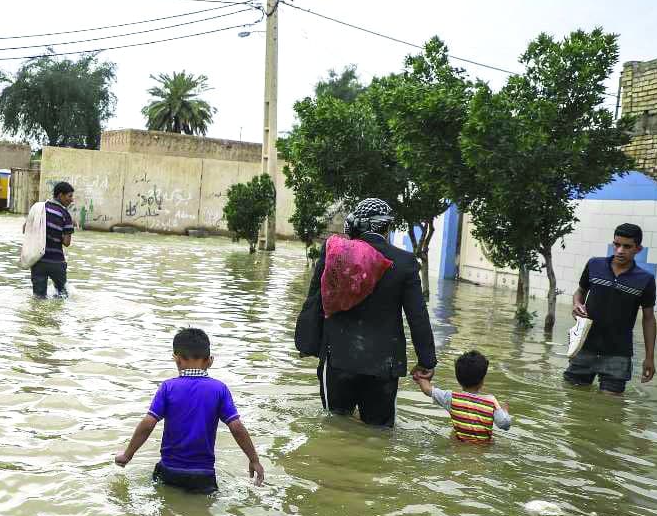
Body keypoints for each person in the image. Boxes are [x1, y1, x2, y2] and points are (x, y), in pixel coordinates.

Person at [298, 197, 437, 427]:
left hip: (338, 360)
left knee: (334, 427)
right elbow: (418, 317)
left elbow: (316, 300)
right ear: (387, 227)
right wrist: (426, 361)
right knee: (378, 434)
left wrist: (307, 343)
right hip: (384, 366)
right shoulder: (404, 262)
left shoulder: (335, 254)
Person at [114, 328, 265, 494]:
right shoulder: (219, 389)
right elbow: (236, 427)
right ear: (210, 361)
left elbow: (148, 424)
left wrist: (128, 455)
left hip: (170, 471)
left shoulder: (168, 387)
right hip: (203, 475)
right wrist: (254, 459)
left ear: (177, 360)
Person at [564, 223, 657, 394]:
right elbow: (580, 291)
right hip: (585, 347)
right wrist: (577, 304)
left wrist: (649, 358)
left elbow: (649, 318)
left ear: (638, 249)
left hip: (618, 353)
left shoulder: (646, 279)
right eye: (617, 244)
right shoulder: (594, 265)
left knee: (611, 408)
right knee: (573, 398)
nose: (620, 250)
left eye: (627, 246)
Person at [414, 350, 512, 444]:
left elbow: (427, 389)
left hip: (458, 445)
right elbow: (504, 424)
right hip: (482, 448)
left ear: (458, 379)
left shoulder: (452, 398)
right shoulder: (491, 402)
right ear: (482, 380)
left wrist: (420, 375)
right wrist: (505, 411)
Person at [31, 181, 76, 298]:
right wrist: (57, 234)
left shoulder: (39, 209)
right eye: (69, 196)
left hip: (38, 260)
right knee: (62, 296)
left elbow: (26, 228)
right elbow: (67, 242)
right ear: (60, 195)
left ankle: (37, 315)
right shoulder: (65, 215)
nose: (72, 200)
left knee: (38, 298)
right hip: (56, 262)